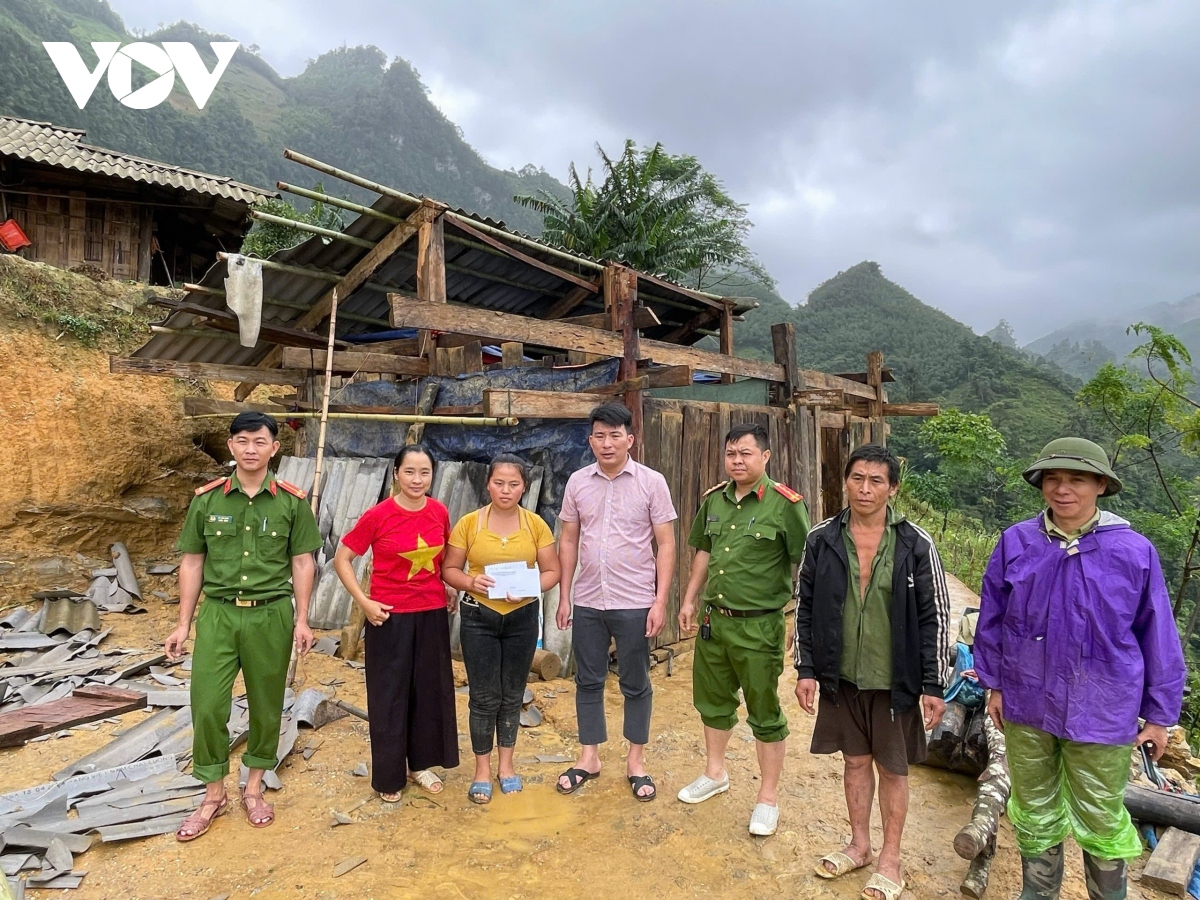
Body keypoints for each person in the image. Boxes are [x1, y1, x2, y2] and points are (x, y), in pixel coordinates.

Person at [973, 437, 1185, 900]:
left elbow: (1158, 636)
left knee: (1101, 811)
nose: (1062, 489)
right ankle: (1039, 891)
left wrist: (1160, 715)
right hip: (1028, 700)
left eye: (1076, 479)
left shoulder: (1133, 551)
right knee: (1033, 802)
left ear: (1101, 485)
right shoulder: (1017, 542)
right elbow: (992, 619)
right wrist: (994, 685)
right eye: (1053, 479)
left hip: (1104, 707)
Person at [794, 443, 950, 900]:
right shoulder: (822, 538)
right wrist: (806, 667)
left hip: (893, 677)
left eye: (876, 480)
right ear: (845, 481)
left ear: (893, 488)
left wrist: (933, 683)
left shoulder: (914, 544)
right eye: (857, 478)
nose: (864, 488)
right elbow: (804, 605)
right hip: (840, 675)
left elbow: (935, 614)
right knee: (855, 761)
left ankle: (891, 858)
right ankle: (859, 845)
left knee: (893, 768)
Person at [167, 412, 321, 841]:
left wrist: (303, 619)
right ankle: (212, 794)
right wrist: (183, 624)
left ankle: (253, 788)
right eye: (241, 441)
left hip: (271, 614)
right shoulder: (208, 500)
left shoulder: (292, 501)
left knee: (267, 704)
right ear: (231, 447)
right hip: (217, 613)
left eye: (259, 441)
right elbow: (193, 561)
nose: (250, 449)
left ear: (275, 448)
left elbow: (302, 561)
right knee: (208, 703)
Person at [678, 422, 808, 835]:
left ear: (765, 457)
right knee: (713, 702)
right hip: (716, 623)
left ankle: (767, 798)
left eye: (746, 453)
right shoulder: (714, 501)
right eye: (731, 453)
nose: (737, 460)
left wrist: (798, 621)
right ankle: (715, 774)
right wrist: (689, 599)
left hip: (759, 627)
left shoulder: (785, 505)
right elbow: (704, 550)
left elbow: (810, 563)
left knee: (764, 711)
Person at [555, 402, 677, 801]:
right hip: (589, 599)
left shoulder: (651, 482)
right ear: (590, 440)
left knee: (635, 682)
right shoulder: (577, 482)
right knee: (587, 679)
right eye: (599, 436)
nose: (606, 444)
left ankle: (636, 762)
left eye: (614, 435)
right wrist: (565, 595)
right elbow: (569, 539)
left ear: (630, 438)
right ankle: (588, 756)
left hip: (635, 600)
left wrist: (660, 602)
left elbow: (666, 544)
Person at [333, 444, 459, 802]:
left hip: (432, 614)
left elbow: (443, 557)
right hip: (388, 616)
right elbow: (343, 559)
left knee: (428, 692)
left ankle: (420, 764)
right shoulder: (378, 515)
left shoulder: (439, 512)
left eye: (424, 473)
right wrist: (364, 601)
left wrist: (448, 585)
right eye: (409, 472)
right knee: (389, 696)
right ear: (396, 474)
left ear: (432, 476)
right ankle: (389, 775)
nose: (417, 480)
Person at [443, 454, 561, 804]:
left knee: (512, 694)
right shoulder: (470, 523)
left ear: (524, 486)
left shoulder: (536, 524)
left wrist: (530, 587)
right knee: (483, 697)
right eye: (499, 483)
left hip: (522, 616)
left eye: (513, 484)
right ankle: (481, 770)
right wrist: (470, 581)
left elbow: (552, 571)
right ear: (488, 484)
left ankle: (506, 767)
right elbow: (450, 568)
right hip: (479, 614)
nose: (505, 490)